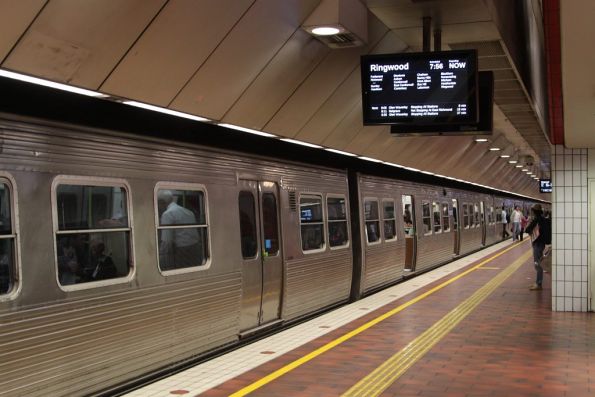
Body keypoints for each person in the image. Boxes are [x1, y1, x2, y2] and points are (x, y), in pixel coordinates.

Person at [158, 190, 202, 269]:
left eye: (157, 204)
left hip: (182, 252)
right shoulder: (189, 212)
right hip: (197, 250)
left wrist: (159, 258)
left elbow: (167, 242)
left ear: (161, 202)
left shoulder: (167, 214)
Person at [524, 203, 551, 290]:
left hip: (537, 244)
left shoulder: (536, 220)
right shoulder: (543, 219)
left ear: (534, 211)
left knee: (537, 264)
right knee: (538, 262)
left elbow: (527, 230)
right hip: (542, 243)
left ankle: (538, 284)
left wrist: (530, 225)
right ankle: (537, 282)